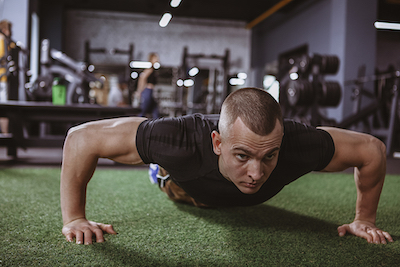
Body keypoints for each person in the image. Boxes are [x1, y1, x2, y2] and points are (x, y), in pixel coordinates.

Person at [60, 87, 393, 245]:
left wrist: (364, 219)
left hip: (241, 196)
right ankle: (158, 173)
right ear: (217, 143)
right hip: (184, 186)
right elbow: (81, 139)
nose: (256, 173)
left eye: (269, 156)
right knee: (166, 178)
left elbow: (372, 150)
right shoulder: (179, 140)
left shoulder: (299, 144)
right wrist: (75, 218)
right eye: (243, 155)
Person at [136, 52, 160, 118]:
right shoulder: (150, 69)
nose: (158, 59)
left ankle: (157, 124)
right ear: (151, 59)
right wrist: (140, 90)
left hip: (151, 92)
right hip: (147, 91)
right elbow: (142, 78)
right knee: (143, 111)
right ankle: (137, 124)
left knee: (155, 112)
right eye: (156, 58)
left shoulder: (154, 69)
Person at [0, 20, 11, 134]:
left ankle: (5, 136)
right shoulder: (1, 40)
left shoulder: (6, 41)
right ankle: (5, 135)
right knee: (4, 108)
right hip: (1, 79)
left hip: (3, 78)